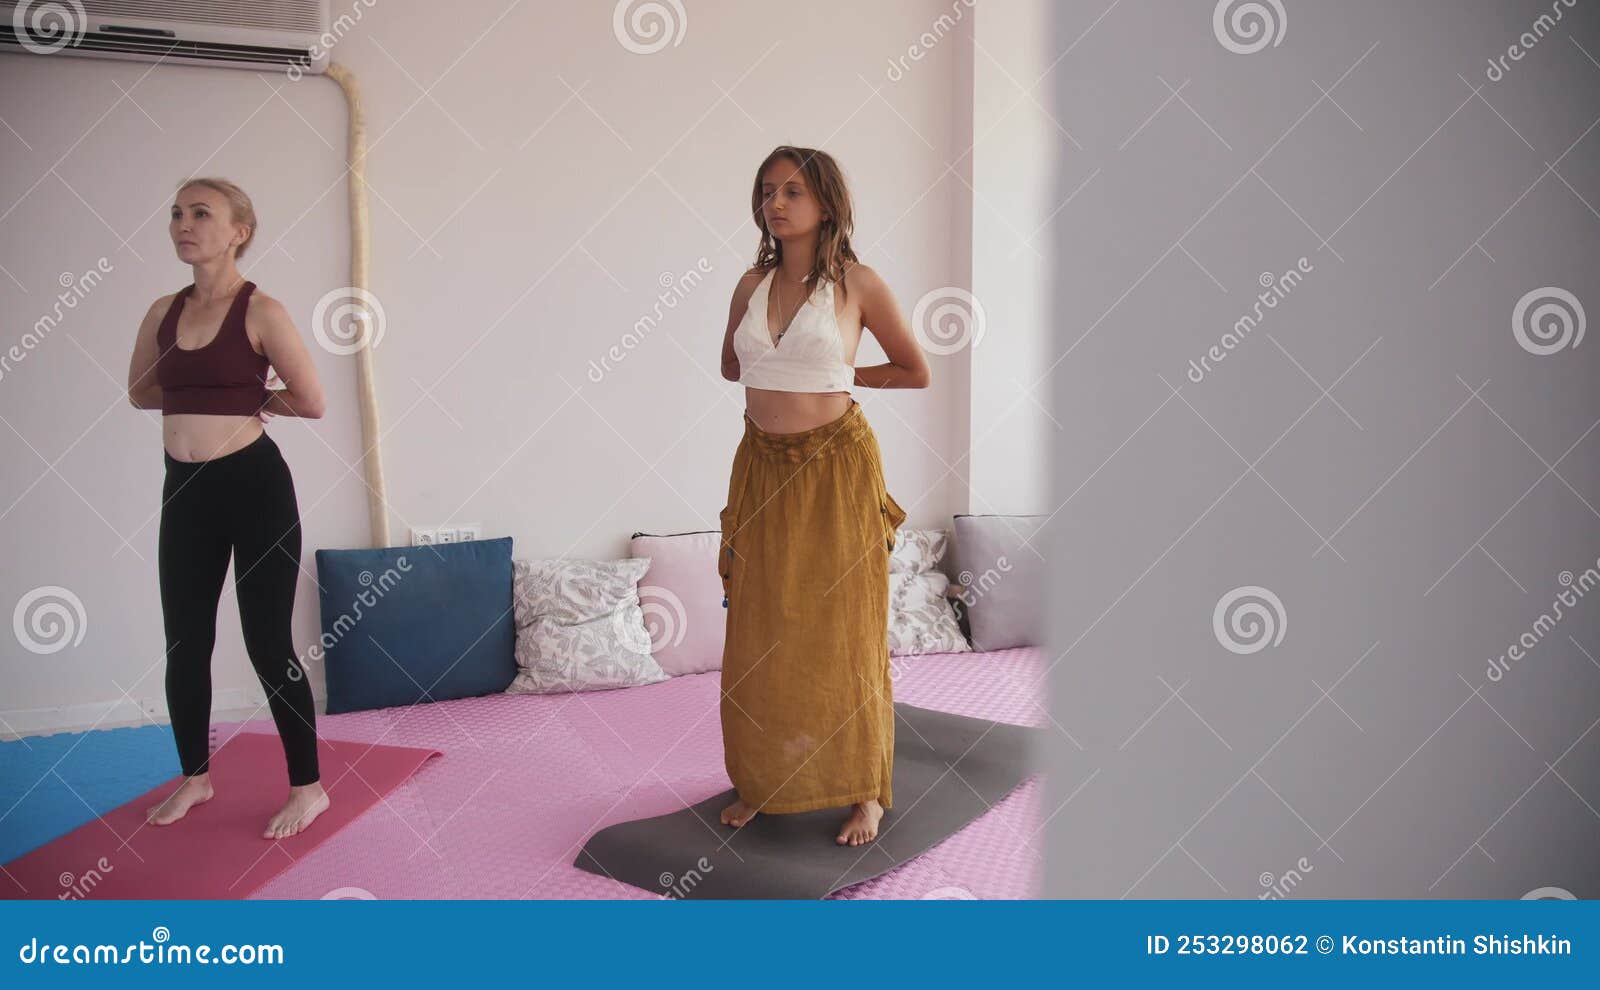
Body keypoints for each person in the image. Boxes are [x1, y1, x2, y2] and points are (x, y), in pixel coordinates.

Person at [716, 146, 930, 847]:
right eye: (768, 190)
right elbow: (730, 364)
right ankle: (764, 781)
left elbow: (913, 369)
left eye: (794, 191)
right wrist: (778, 368)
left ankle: (864, 791)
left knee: (843, 630)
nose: (777, 203)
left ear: (827, 204)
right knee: (759, 630)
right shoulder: (751, 283)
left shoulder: (858, 283)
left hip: (837, 467)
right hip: (761, 465)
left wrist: (839, 374)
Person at [124, 177, 331, 840]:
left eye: (201, 213)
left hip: (254, 488)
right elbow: (139, 392)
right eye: (177, 213)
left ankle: (308, 788)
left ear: (239, 230)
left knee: (267, 643)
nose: (185, 224)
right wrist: (207, 397)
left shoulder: (261, 310)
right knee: (184, 641)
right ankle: (195, 777)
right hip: (183, 492)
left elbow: (312, 400)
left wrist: (253, 400)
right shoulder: (162, 311)